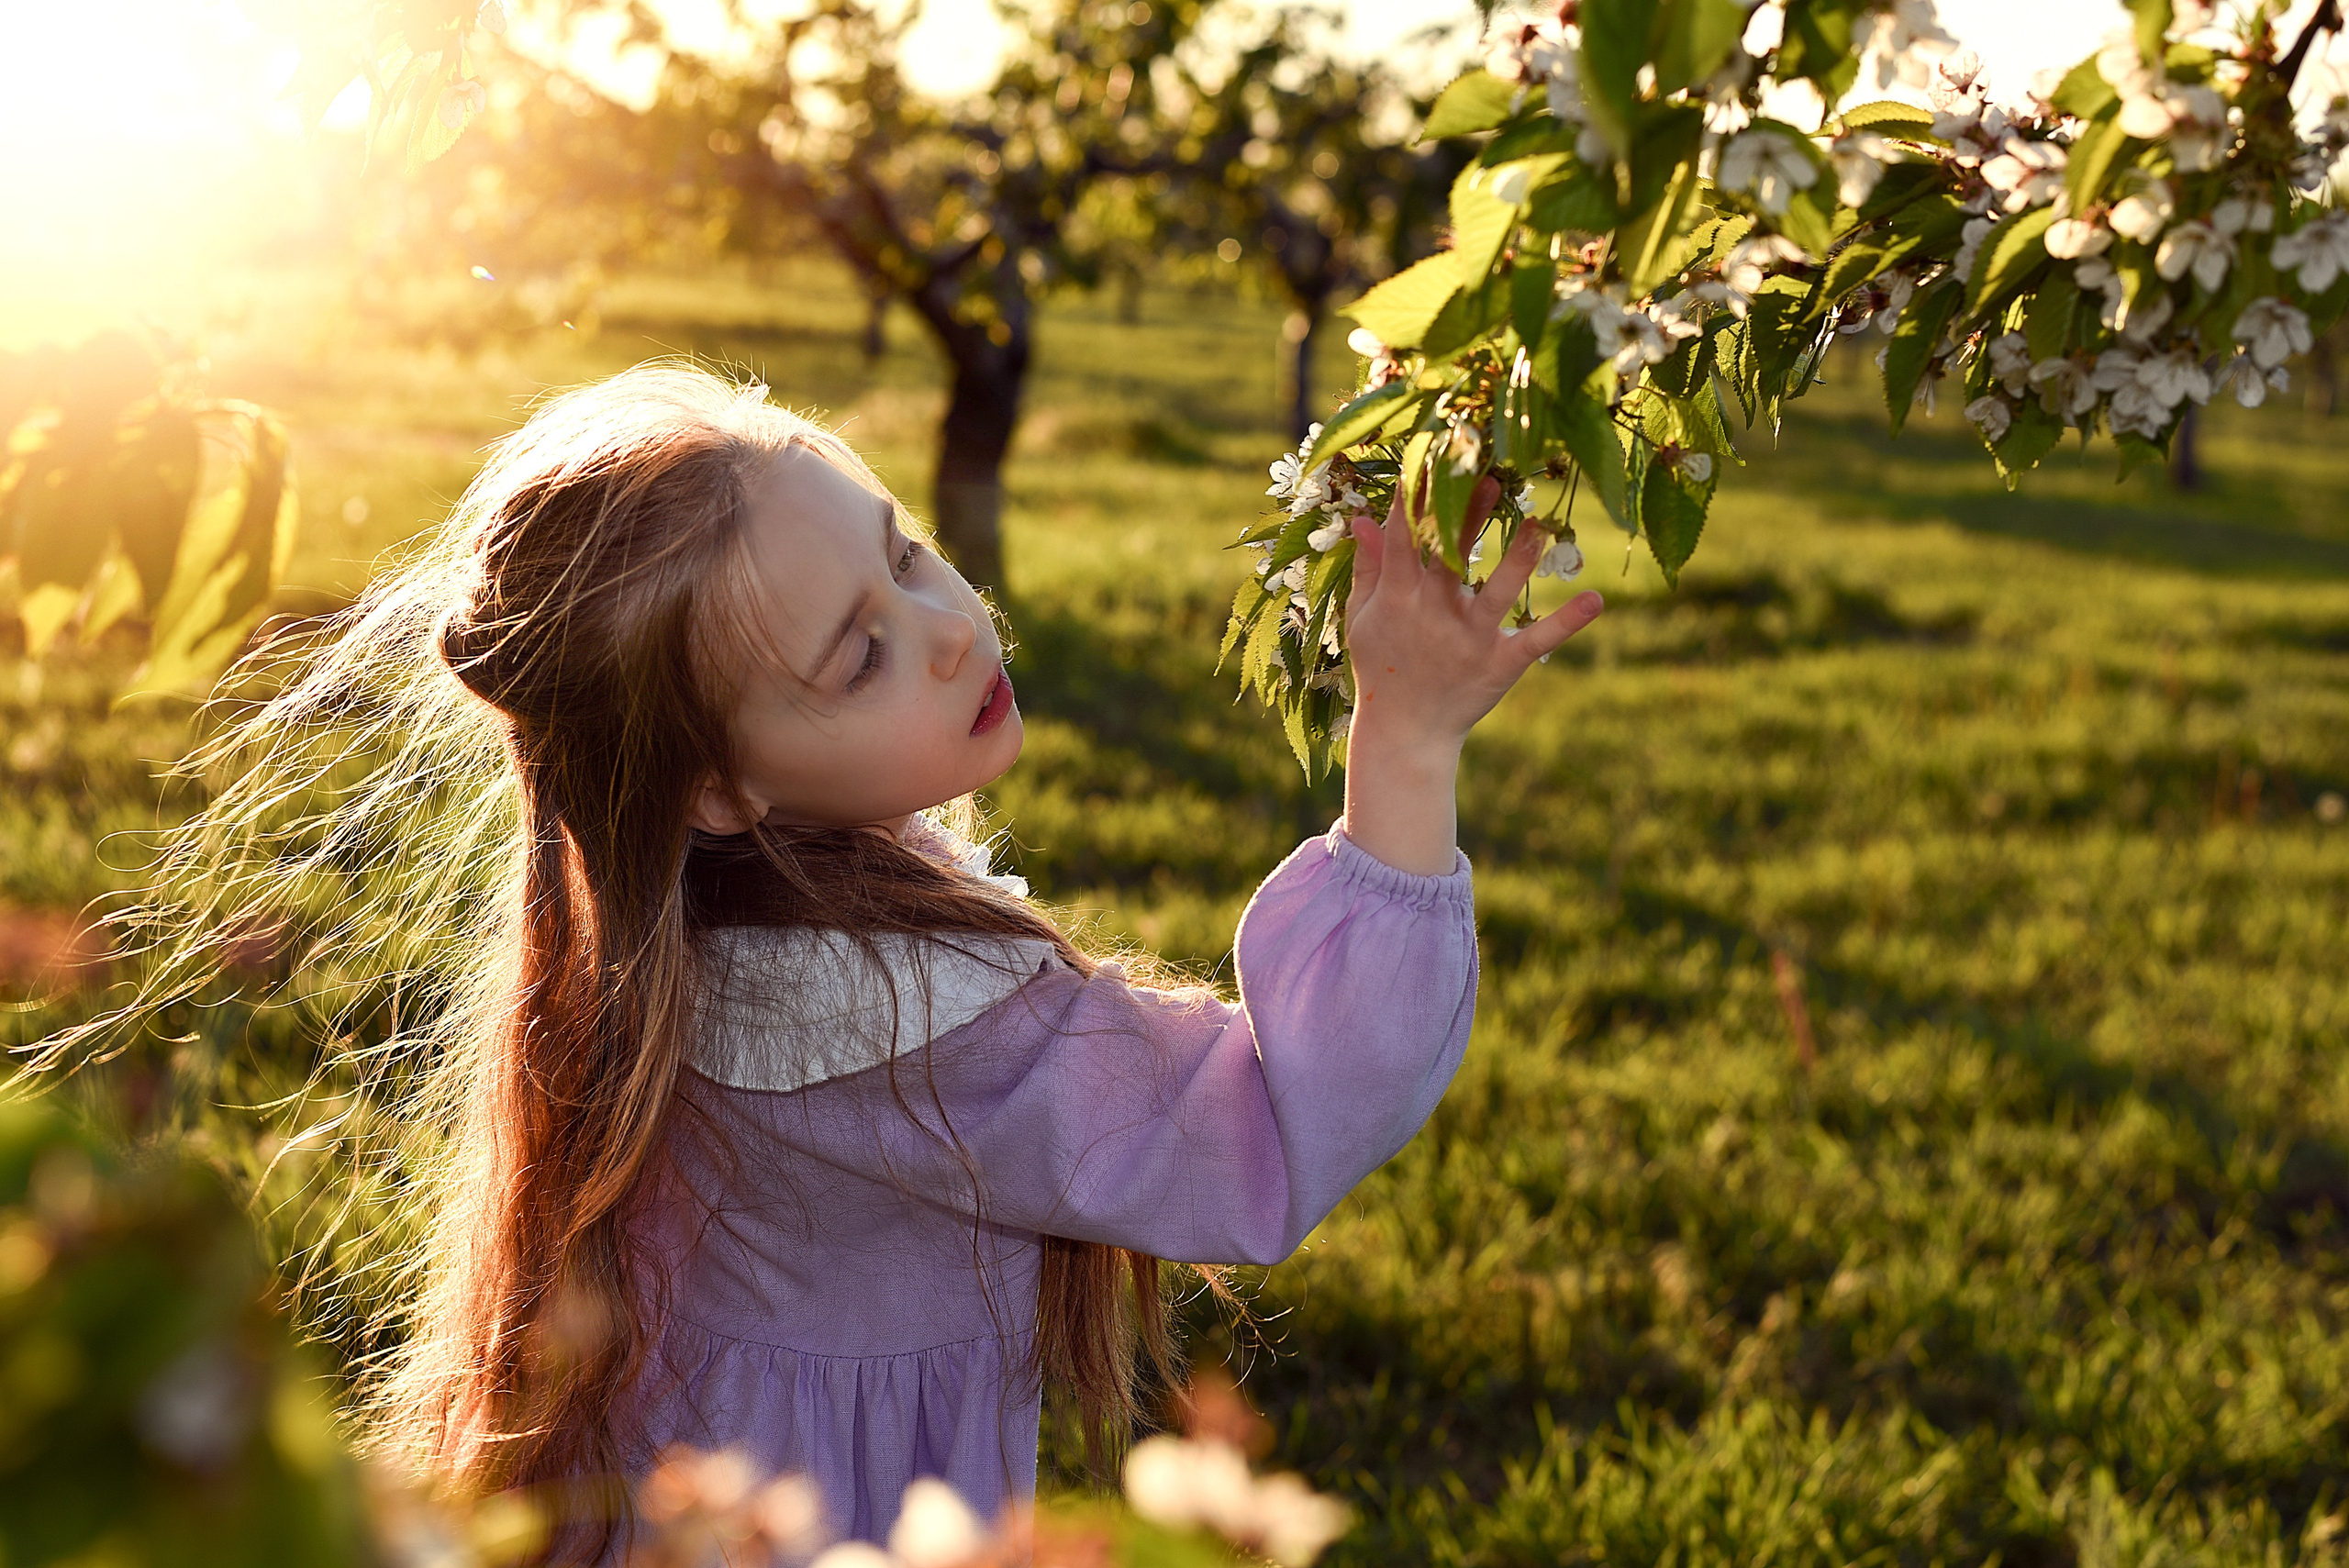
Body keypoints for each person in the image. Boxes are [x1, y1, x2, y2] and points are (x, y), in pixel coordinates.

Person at [128, 362, 1604, 1560]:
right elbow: (1280, 1130)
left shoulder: (658, 915)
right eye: (859, 653)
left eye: (904, 552)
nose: (949, 628)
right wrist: (1403, 743)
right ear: (718, 783)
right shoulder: (924, 1028)